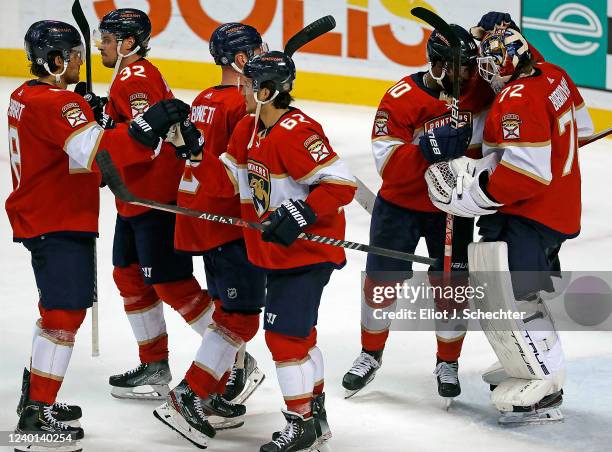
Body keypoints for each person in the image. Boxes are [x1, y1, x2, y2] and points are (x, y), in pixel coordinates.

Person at [155, 50, 356, 451]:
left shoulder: (299, 131)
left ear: (266, 91)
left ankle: (301, 424)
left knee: (284, 338)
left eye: (246, 85)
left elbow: (341, 184)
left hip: (307, 253)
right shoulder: (247, 128)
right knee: (300, 337)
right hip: (276, 255)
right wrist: (193, 152)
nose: (240, 89)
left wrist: (302, 210)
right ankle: (314, 421)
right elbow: (225, 182)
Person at [7, 20, 189, 451]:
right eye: (72, 55)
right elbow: (98, 152)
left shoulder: (23, 95)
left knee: (55, 312)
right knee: (63, 316)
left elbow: (70, 139)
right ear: (54, 61)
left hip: (43, 215)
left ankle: (34, 401)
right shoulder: (57, 105)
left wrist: (90, 111)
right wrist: (147, 128)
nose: (79, 61)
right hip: (59, 219)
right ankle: (35, 418)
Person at [426, 25, 594, 424]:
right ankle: (525, 363)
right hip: (552, 206)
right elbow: (582, 130)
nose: (484, 71)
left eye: (490, 62)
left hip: (532, 212)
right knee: (500, 290)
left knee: (517, 294)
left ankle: (544, 380)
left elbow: (526, 176)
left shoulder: (517, 99)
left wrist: (475, 193)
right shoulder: (553, 75)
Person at [341, 23, 493, 401]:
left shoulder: (476, 92)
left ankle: (448, 362)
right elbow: (388, 165)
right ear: (438, 65)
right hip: (400, 207)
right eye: (459, 68)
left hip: (453, 209)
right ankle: (370, 354)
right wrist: (428, 149)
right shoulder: (400, 98)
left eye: (470, 67)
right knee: (381, 284)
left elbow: (487, 149)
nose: (467, 76)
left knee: (452, 288)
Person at [91, 8, 213, 400]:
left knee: (172, 285)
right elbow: (133, 126)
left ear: (128, 44)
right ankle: (155, 364)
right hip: (132, 200)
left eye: (108, 41)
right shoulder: (127, 77)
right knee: (128, 276)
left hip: (153, 199)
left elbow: (149, 140)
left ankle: (233, 361)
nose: (101, 47)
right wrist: (104, 117)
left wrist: (108, 128)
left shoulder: (135, 77)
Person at [173, 22, 268, 404]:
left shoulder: (203, 98)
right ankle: (196, 391)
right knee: (239, 314)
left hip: (202, 217)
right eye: (260, 53)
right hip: (230, 221)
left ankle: (222, 381)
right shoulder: (240, 105)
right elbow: (248, 166)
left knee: (224, 307)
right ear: (244, 59)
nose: (266, 58)